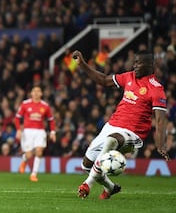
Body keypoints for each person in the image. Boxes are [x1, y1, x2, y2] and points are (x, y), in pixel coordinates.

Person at [72, 49, 170, 199]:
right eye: (134, 62)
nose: (135, 65)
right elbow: (104, 80)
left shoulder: (156, 88)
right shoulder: (128, 77)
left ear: (150, 65)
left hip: (133, 132)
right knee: (86, 165)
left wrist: (161, 143)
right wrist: (83, 64)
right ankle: (111, 187)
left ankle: (87, 184)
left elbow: (160, 119)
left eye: (139, 63)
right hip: (112, 125)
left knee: (112, 140)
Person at [15, 84, 57, 182]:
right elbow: (17, 118)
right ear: (31, 93)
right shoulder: (25, 104)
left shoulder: (45, 106)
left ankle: (34, 174)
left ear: (41, 93)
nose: (36, 93)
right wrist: (18, 129)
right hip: (27, 132)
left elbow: (51, 120)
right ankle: (24, 160)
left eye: (38, 91)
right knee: (29, 154)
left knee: (39, 151)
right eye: (34, 91)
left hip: (40, 131)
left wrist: (53, 132)